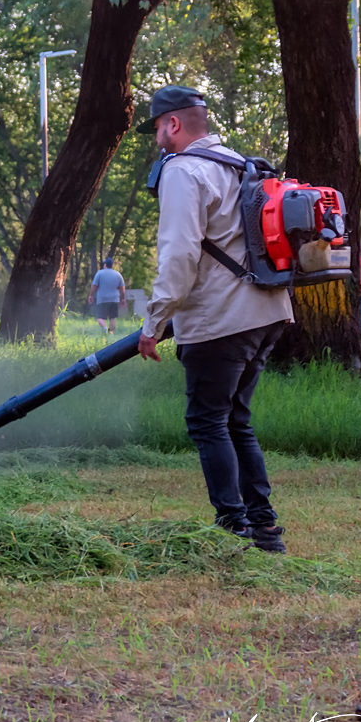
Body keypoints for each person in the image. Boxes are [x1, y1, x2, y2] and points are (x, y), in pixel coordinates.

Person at [136, 85, 293, 554]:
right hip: (268, 311)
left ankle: (234, 528)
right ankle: (263, 528)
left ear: (175, 124)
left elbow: (180, 255)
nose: (158, 138)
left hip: (221, 318)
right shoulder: (239, 163)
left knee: (208, 421)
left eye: (159, 128)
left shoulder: (183, 171)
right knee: (235, 419)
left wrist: (154, 323)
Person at [88, 257, 126, 338]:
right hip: (114, 300)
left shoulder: (100, 273)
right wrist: (123, 298)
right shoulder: (118, 274)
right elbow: (122, 288)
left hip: (102, 300)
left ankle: (105, 329)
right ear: (112, 265)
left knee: (100, 318)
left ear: (105, 265)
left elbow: (94, 285)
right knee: (112, 318)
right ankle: (111, 334)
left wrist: (91, 295)